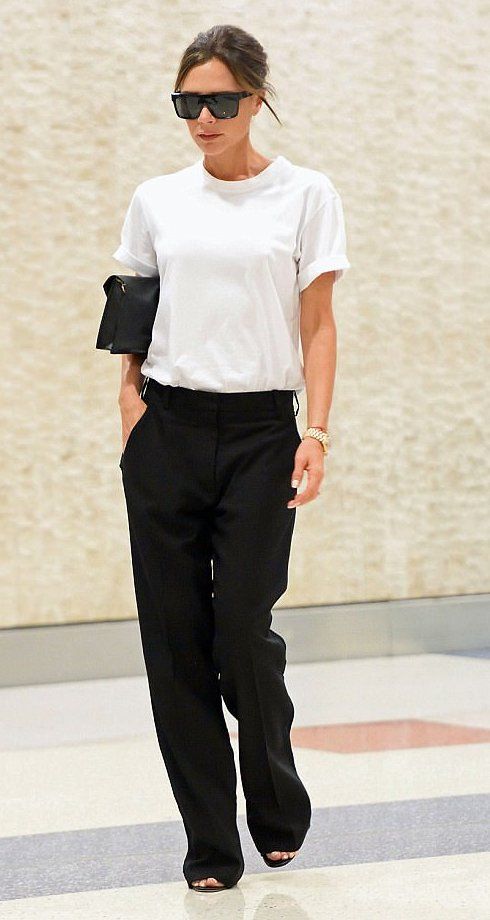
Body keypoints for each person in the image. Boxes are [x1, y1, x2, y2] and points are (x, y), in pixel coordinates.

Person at [112, 24, 351, 893]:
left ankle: (276, 803)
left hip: (261, 436)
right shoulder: (157, 200)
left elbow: (318, 324)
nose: (203, 118)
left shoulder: (305, 194)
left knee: (243, 630)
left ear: (256, 99)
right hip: (168, 431)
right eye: (188, 102)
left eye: (219, 101)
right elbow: (130, 312)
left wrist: (316, 432)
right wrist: (131, 411)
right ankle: (210, 845)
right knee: (175, 645)